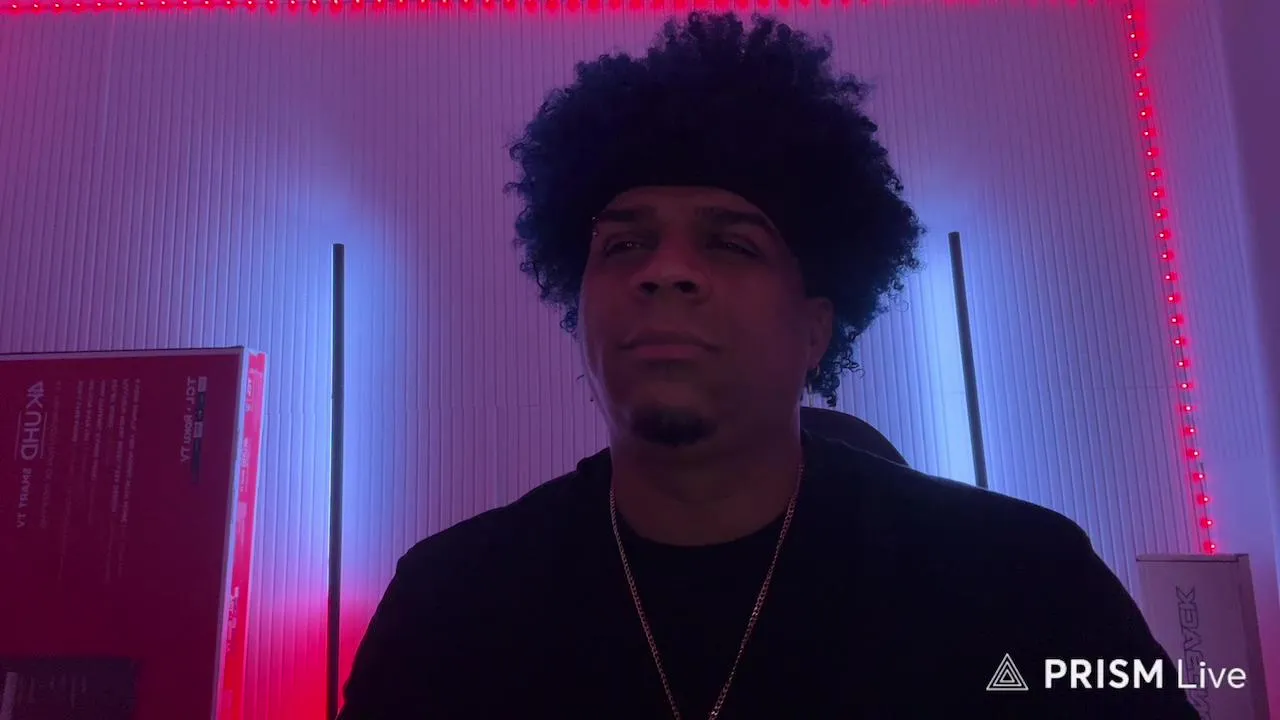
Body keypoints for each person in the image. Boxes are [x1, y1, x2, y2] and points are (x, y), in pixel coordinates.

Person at [339, 12, 1198, 719]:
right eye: (625, 244)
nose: (664, 271)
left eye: (731, 243)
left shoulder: (1022, 584)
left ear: (815, 329)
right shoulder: (452, 603)